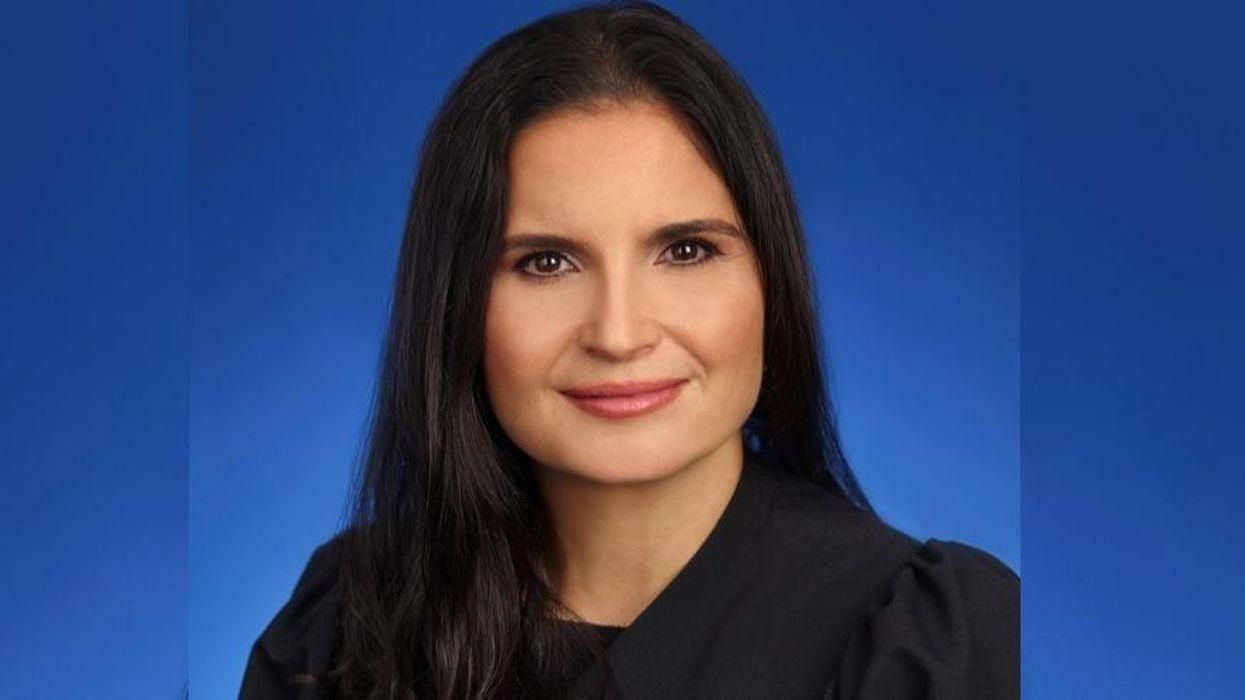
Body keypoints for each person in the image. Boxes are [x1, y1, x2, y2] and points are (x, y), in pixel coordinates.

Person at [239, 2, 1019, 698]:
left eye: (685, 251)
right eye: (545, 262)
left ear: (771, 282)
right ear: (455, 306)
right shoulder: (343, 632)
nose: (618, 334)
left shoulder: (931, 646)